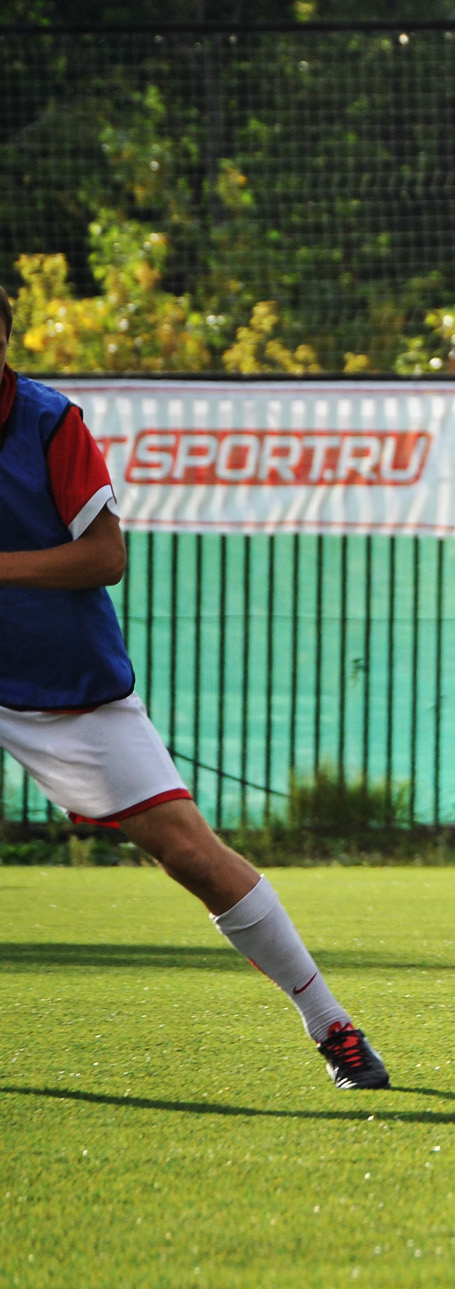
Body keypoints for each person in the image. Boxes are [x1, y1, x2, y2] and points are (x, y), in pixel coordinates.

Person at [0, 285, 387, 1088]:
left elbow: (105, 557)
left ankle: (332, 1025)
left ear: (5, 340)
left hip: (66, 684)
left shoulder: (48, 421)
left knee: (191, 854)